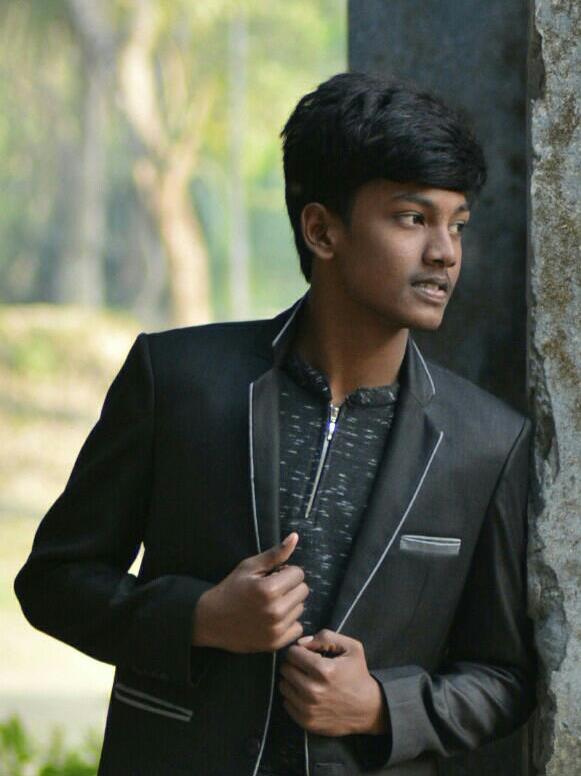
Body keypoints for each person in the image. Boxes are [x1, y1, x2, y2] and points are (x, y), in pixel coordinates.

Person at [14, 72, 535, 776]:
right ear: (321, 229)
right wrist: (199, 618)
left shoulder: (486, 443)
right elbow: (53, 582)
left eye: (457, 224)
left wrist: (382, 707)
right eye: (412, 218)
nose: (444, 252)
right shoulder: (177, 382)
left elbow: (505, 675)